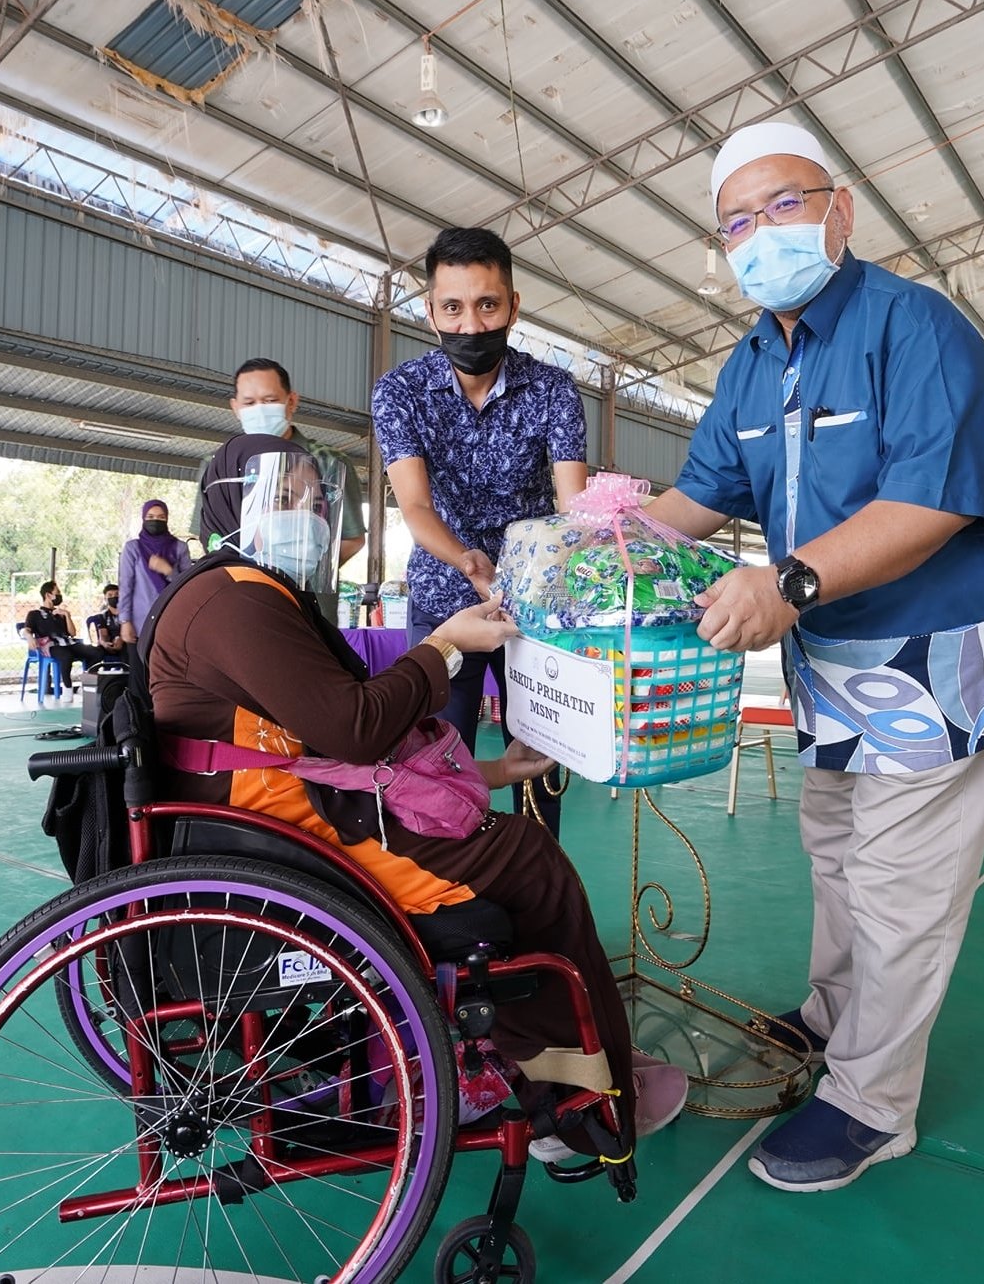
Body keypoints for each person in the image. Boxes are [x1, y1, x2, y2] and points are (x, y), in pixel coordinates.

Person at [641, 122, 984, 1193]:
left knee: (897, 888)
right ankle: (830, 1019)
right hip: (829, 661)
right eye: (735, 221)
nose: (758, 234)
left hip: (936, 654)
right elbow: (689, 504)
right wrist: (585, 552)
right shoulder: (747, 365)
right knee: (834, 854)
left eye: (782, 204)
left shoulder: (912, 328)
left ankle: (873, 1105)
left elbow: (928, 502)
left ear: (840, 206)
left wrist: (782, 583)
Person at [146, 434, 687, 1160]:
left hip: (281, 819)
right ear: (225, 505)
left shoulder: (243, 591)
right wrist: (446, 645)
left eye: (313, 498)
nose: (304, 512)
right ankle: (572, 1091)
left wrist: (493, 774)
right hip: (281, 844)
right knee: (527, 858)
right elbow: (355, 727)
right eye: (285, 497)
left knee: (510, 843)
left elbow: (334, 740)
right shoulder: (232, 598)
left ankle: (545, 1052)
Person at [372, 226, 588, 837]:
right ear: (431, 310)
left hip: (536, 611)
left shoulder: (552, 391)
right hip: (444, 603)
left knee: (543, 763)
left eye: (487, 304)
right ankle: (455, 913)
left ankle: (544, 893)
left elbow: (572, 508)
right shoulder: (401, 393)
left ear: (513, 306)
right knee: (440, 762)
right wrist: (466, 561)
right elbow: (414, 507)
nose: (470, 325)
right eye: (453, 308)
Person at [197, 357, 366, 624]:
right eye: (250, 403)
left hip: (311, 611)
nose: (260, 410)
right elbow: (210, 540)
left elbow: (352, 538)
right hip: (240, 607)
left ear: (291, 402)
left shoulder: (329, 462)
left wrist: (304, 569)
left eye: (269, 400)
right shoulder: (218, 466)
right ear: (235, 407)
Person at [118, 500, 192, 643]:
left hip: (171, 620)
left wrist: (169, 571)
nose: (155, 521)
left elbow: (188, 586)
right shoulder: (133, 548)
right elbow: (126, 586)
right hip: (139, 623)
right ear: (143, 519)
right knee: (139, 665)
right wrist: (125, 621)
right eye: (150, 517)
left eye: (161, 517)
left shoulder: (179, 547)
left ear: (167, 519)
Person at [25, 581, 104, 694]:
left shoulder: (60, 613)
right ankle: (68, 688)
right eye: (57, 592)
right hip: (51, 646)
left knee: (97, 652)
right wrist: (29, 637)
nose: (59, 595)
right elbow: (26, 629)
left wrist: (67, 615)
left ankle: (86, 683)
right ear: (48, 595)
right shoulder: (34, 614)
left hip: (68, 643)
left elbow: (72, 633)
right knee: (67, 656)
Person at [84, 581, 125, 657]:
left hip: (125, 642)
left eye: (117, 594)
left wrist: (121, 639)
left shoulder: (128, 614)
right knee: (96, 652)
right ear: (105, 598)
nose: (114, 597)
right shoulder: (102, 616)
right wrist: (105, 643)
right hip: (109, 644)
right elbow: (103, 635)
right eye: (110, 595)